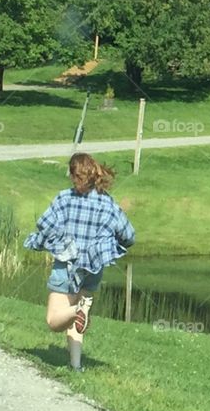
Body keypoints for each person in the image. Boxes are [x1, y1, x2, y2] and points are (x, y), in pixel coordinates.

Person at [24, 153, 135, 371]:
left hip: (66, 265)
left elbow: (44, 224)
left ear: (75, 175)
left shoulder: (64, 199)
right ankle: (75, 366)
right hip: (93, 268)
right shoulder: (108, 203)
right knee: (77, 321)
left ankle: (79, 310)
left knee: (54, 321)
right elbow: (129, 236)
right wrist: (108, 242)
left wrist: (38, 242)